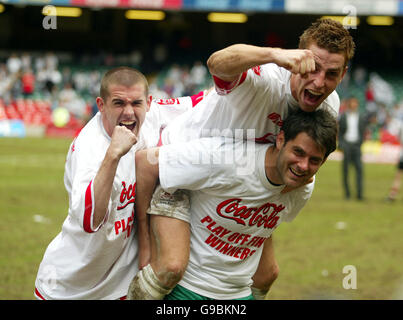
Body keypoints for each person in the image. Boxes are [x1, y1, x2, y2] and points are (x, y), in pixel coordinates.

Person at [127, 18, 355, 300]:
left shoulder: (329, 107)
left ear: (343, 75)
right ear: (297, 59)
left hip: (232, 181)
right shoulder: (266, 80)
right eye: (313, 68)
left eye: (331, 74)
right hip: (186, 165)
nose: (319, 82)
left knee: (267, 273)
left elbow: (307, 166)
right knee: (171, 267)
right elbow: (217, 63)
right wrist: (275, 54)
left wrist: (257, 195)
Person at [129, 108, 338, 299]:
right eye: (298, 152)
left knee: (269, 274)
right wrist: (145, 242)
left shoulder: (302, 189)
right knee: (170, 267)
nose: (303, 166)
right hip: (188, 288)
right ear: (281, 140)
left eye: (314, 160)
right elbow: (147, 162)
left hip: (239, 293)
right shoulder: (227, 159)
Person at [34, 67, 202, 300]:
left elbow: (208, 100)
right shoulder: (90, 149)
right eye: (118, 103)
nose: (129, 113)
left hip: (120, 285)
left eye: (136, 103)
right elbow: (89, 221)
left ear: (149, 102)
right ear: (101, 105)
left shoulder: (154, 114)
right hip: (71, 287)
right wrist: (112, 156)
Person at [338, 96, 367, 200]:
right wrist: (342, 144)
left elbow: (363, 131)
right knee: (345, 171)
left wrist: (360, 143)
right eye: (352, 103)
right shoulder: (344, 116)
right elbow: (340, 132)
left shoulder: (361, 116)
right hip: (347, 145)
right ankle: (347, 194)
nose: (354, 105)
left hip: (356, 145)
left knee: (359, 170)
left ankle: (359, 195)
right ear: (349, 104)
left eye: (355, 103)